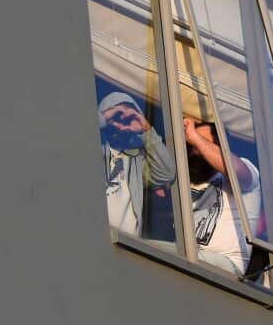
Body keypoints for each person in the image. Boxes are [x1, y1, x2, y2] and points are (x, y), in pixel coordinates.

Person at [184, 118, 262, 276]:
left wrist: (195, 137)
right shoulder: (186, 179)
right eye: (191, 144)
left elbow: (236, 169)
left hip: (227, 265)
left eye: (202, 142)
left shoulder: (246, 171)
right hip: (189, 259)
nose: (195, 149)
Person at [99, 92, 175, 237]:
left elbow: (166, 173)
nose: (121, 123)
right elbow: (74, 135)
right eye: (116, 116)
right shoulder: (91, 146)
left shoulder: (135, 159)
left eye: (128, 119)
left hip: (123, 245)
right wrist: (104, 118)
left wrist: (146, 130)